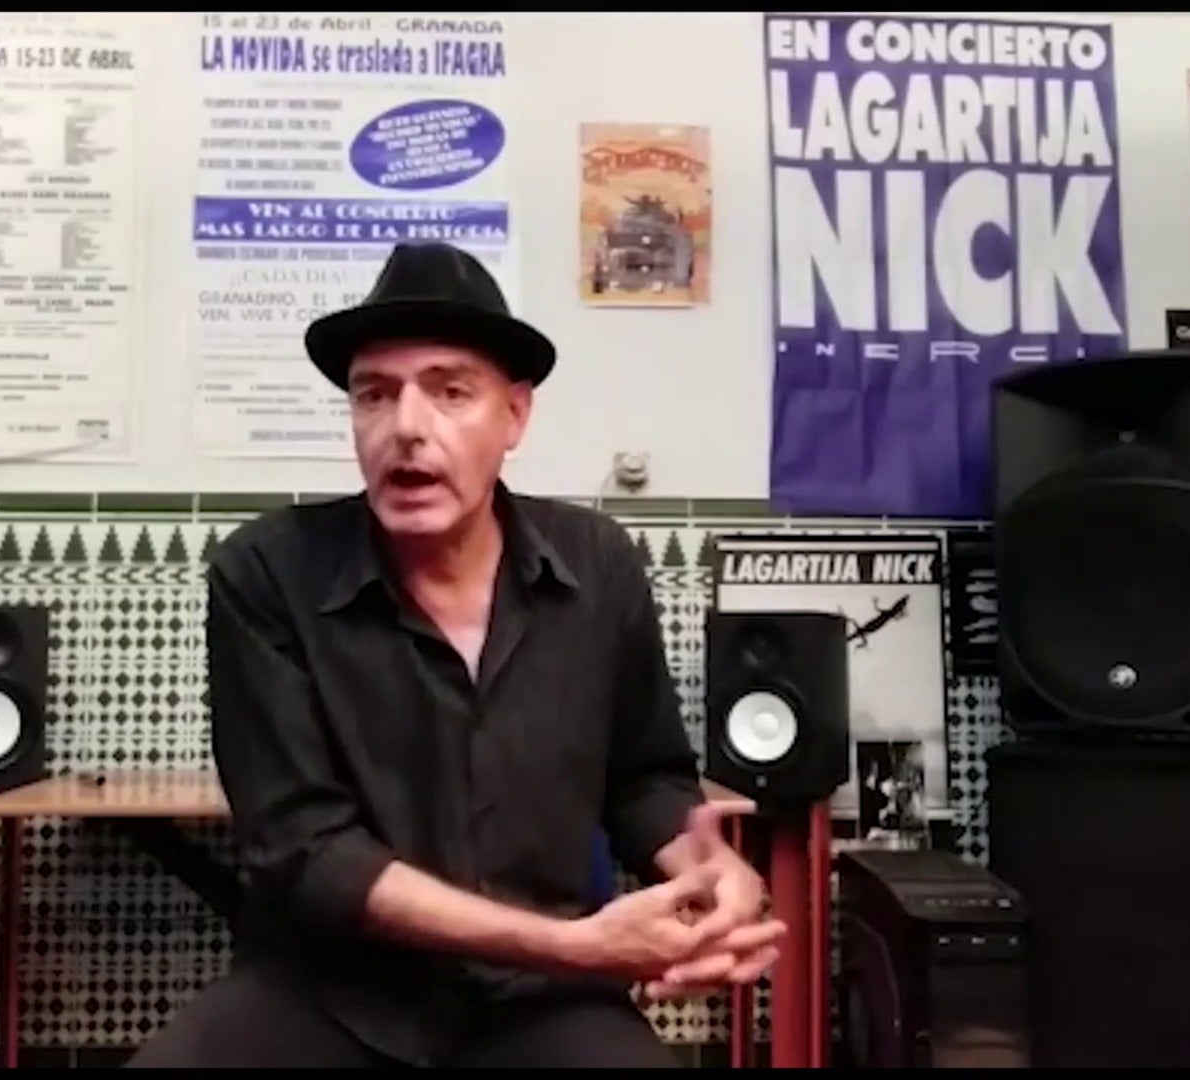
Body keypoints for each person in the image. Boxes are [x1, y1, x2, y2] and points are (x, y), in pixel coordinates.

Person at [128, 242, 785, 1068]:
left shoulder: (599, 564)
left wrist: (710, 871)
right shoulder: (266, 572)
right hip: (328, 992)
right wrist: (576, 944)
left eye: (450, 391)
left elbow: (644, 779)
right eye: (375, 394)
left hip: (541, 1003)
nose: (406, 426)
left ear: (515, 416)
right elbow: (306, 852)